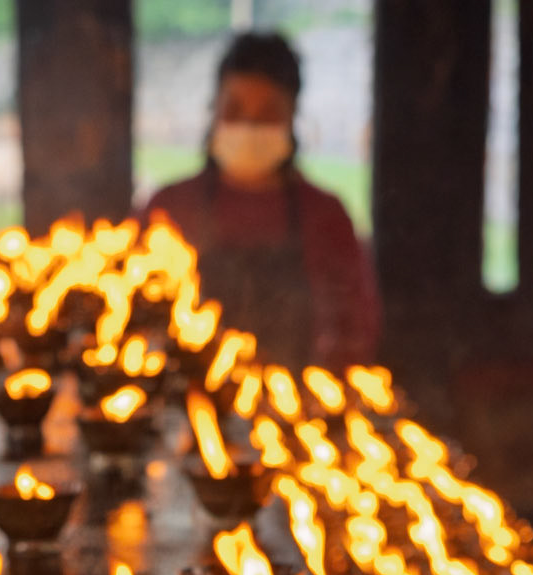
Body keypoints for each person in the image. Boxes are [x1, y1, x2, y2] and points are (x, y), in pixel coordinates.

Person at [143, 30, 379, 371]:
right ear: (214, 110)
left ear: (292, 117)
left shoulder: (325, 216)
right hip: (187, 413)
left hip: (292, 413)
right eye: (234, 109)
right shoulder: (169, 210)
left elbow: (355, 331)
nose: (249, 125)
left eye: (267, 113)